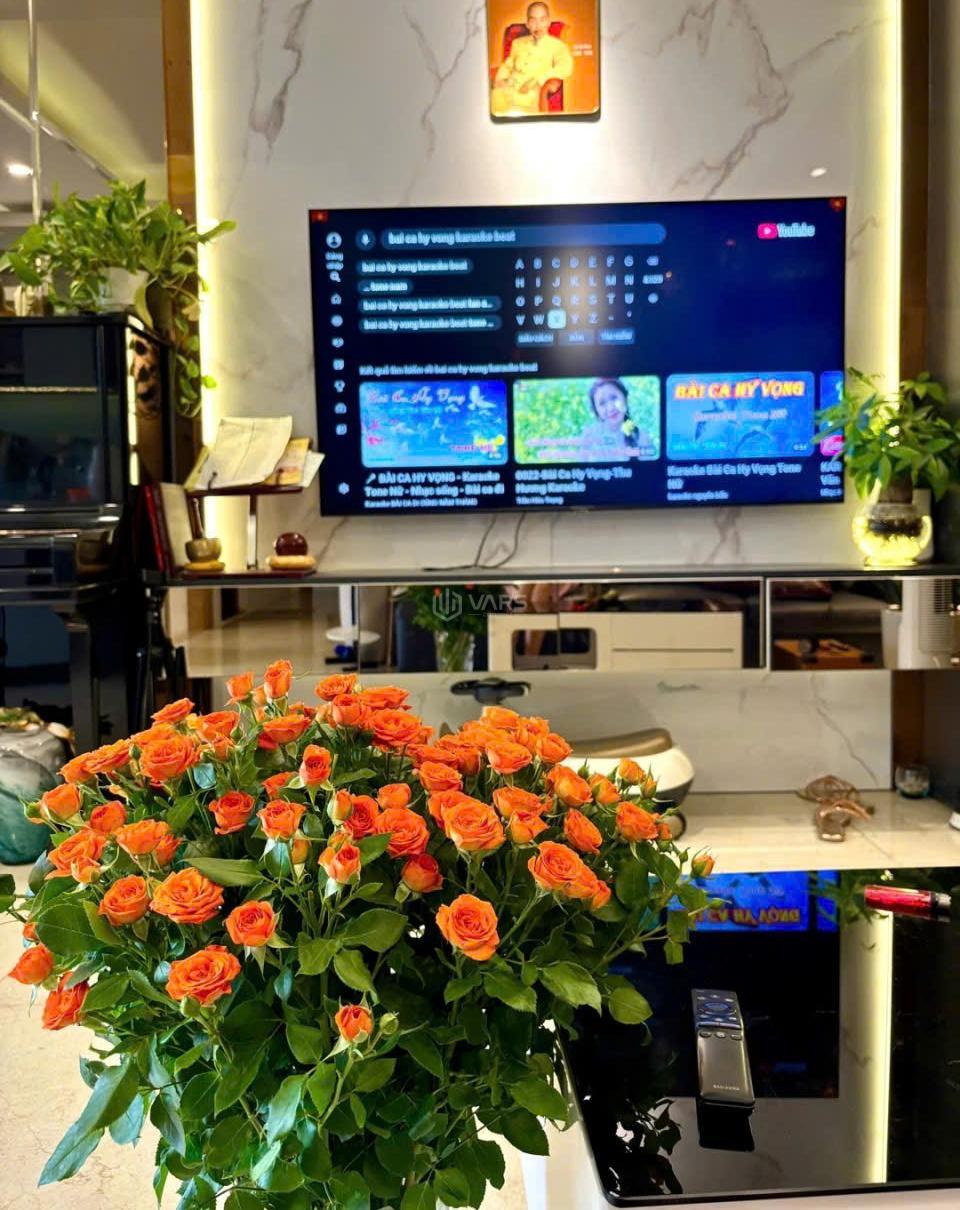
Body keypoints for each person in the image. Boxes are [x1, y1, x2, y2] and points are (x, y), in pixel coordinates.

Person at [491, 2, 573, 116]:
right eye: (533, 21)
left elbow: (564, 67)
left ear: (548, 22)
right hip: (510, 88)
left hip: (532, 93)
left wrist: (537, 80)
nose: (538, 26)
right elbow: (508, 65)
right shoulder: (518, 43)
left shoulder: (558, 45)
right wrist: (500, 80)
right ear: (528, 24)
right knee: (493, 100)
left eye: (542, 20)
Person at [580, 378, 657, 461]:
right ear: (596, 410)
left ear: (625, 398)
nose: (610, 408)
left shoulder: (641, 436)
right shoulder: (589, 435)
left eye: (614, 398)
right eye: (602, 403)